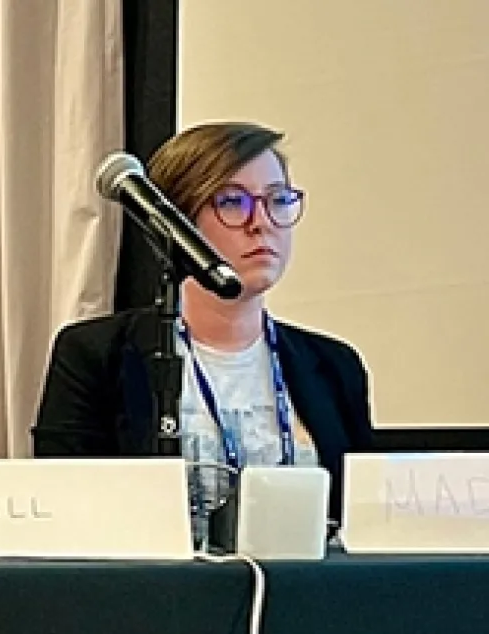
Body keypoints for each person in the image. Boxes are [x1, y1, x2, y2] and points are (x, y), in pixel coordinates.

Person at [32, 121, 375, 523]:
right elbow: (65, 508)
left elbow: (359, 519)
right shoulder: (94, 355)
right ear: (176, 223)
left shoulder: (334, 365)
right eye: (232, 202)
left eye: (278, 200)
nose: (261, 222)